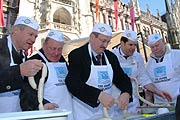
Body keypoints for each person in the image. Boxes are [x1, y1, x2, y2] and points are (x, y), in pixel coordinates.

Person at [65, 23, 133, 120]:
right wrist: (98, 95)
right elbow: (73, 83)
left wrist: (126, 92)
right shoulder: (77, 55)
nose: (105, 45)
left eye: (108, 42)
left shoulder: (110, 57)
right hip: (86, 114)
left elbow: (121, 78)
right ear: (92, 37)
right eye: (103, 40)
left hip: (108, 113)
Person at [111, 30, 172, 114]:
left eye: (135, 45)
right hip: (115, 101)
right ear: (122, 43)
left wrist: (157, 91)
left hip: (133, 102)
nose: (133, 48)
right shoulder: (111, 56)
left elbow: (143, 78)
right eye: (130, 44)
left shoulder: (137, 57)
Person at [20, 29, 73, 120]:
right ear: (44, 45)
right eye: (52, 48)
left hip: (68, 112)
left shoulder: (62, 60)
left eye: (59, 49)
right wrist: (43, 104)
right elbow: (27, 94)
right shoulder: (34, 62)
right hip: (47, 114)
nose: (56, 53)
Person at [0, 16, 43, 113]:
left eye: (35, 36)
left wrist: (43, 104)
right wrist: (19, 71)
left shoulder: (23, 56)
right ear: (16, 30)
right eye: (30, 34)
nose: (33, 40)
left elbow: (27, 91)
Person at [145, 33, 180, 104]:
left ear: (163, 42)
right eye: (152, 47)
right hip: (160, 105)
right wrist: (148, 103)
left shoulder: (177, 55)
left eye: (157, 45)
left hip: (178, 101)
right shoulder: (149, 64)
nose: (155, 49)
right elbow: (148, 89)